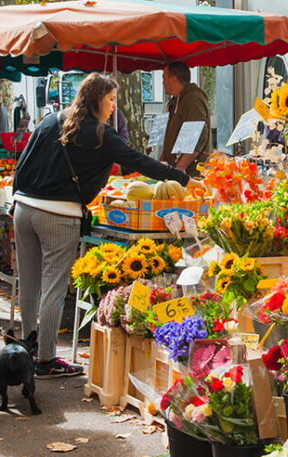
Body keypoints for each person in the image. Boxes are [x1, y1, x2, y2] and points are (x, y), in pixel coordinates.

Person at [13, 73, 203, 378]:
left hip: (23, 209)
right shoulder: (100, 134)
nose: (114, 106)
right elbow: (141, 162)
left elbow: (23, 162)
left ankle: (26, 346)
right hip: (59, 214)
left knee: (30, 282)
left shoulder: (50, 120)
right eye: (111, 99)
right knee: (53, 288)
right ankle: (46, 361)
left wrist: (16, 196)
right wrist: (183, 179)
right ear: (96, 99)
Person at [161, 62, 211, 176]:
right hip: (176, 172)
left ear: (173, 79)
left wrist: (180, 168)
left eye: (164, 78)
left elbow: (199, 136)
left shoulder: (193, 98)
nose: (163, 83)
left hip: (191, 174)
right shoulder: (177, 100)